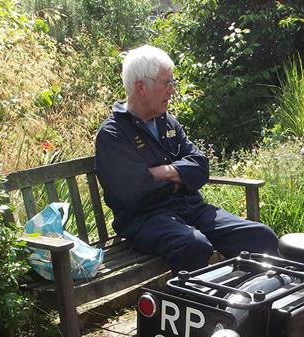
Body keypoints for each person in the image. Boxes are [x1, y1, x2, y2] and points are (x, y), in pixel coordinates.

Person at [95, 45, 279, 273]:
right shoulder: (113, 134)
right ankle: (193, 305)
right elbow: (134, 193)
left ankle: (258, 300)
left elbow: (200, 166)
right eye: (166, 83)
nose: (172, 90)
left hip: (191, 209)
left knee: (261, 236)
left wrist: (164, 172)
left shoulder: (168, 122)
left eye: (173, 83)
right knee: (193, 245)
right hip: (146, 220)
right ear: (141, 87)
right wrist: (181, 177)